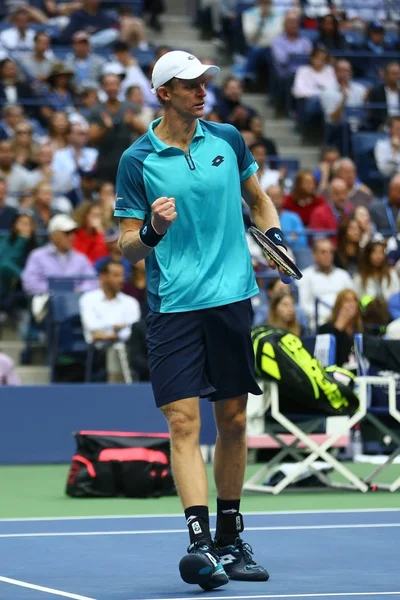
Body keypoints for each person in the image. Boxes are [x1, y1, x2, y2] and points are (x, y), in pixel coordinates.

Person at [114, 50, 292, 590]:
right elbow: (125, 247)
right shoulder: (136, 159)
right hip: (173, 306)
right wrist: (150, 231)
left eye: (204, 82)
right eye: (190, 84)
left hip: (231, 299)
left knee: (233, 420)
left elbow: (258, 202)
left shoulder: (229, 140)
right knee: (183, 422)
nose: (202, 90)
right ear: (164, 93)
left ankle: (230, 537)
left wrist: (275, 238)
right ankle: (199, 545)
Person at [318, 289, 363, 369]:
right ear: (339, 305)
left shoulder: (361, 329)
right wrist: (339, 326)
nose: (352, 304)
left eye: (354, 300)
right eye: (347, 301)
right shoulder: (325, 329)